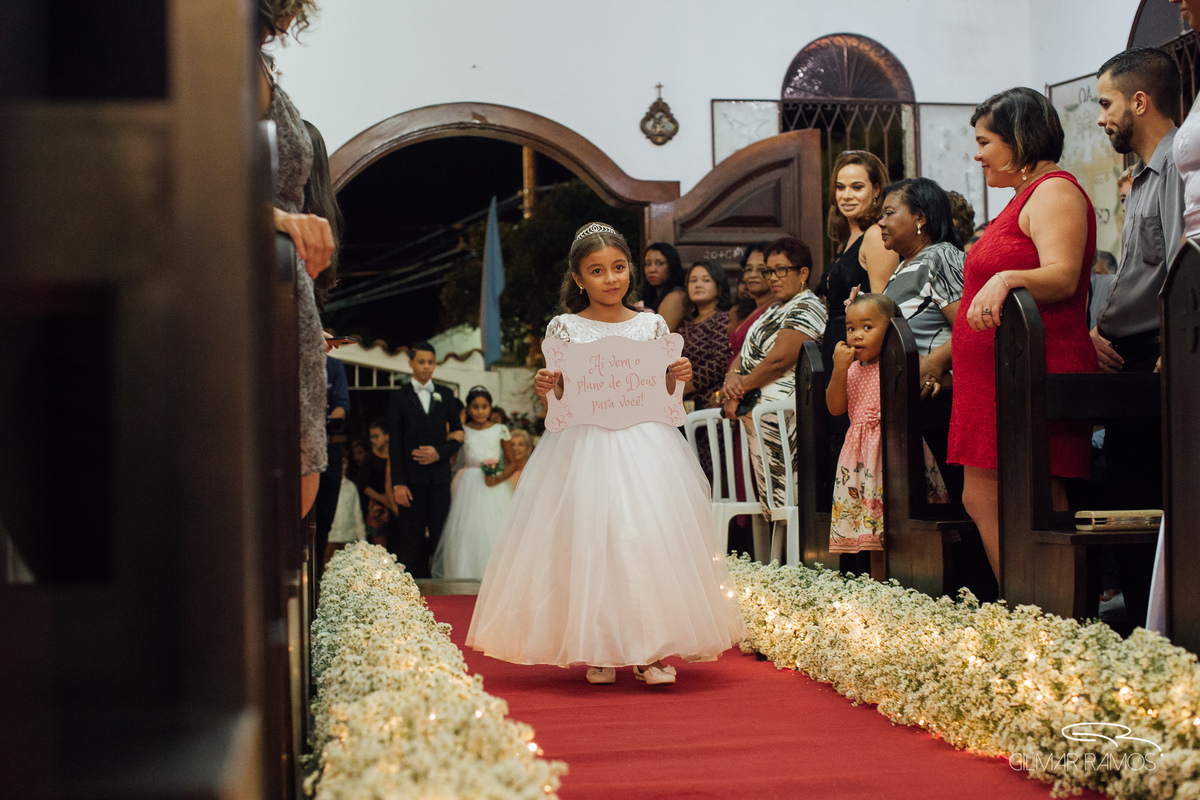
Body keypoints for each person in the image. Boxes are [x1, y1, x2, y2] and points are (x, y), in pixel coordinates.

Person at [467, 222, 744, 686]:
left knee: (644, 536)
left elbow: (665, 397)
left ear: (629, 271)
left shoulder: (651, 324)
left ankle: (650, 649)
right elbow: (560, 406)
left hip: (646, 446)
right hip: (584, 445)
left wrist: (678, 374)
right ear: (579, 279)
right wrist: (547, 389)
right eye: (597, 271)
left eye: (618, 268)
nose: (610, 278)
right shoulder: (565, 328)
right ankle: (599, 645)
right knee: (592, 538)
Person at [949, 87, 1099, 582]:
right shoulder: (1023, 197)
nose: (977, 154)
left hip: (1035, 367)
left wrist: (1007, 277)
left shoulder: (1055, 189)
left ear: (1019, 140)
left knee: (1037, 494)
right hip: (996, 375)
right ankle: (1026, 613)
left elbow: (1063, 276)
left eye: (985, 141)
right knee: (983, 496)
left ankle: (1052, 619)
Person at [1094, 48, 1183, 519]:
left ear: (1140, 102)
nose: (1101, 118)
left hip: (1155, 353)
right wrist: (1099, 329)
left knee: (1145, 498)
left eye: (1107, 104)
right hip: (1127, 354)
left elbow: (1181, 266)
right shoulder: (1142, 178)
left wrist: (1174, 347)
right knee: (1125, 496)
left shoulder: (1174, 167)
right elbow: (1135, 274)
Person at [257, 1, 335, 517]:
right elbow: (190, 171)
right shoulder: (215, 58)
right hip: (250, 272)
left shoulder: (255, 60)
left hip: (285, 281)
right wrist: (279, 218)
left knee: (298, 475)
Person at [827, 293, 948, 569]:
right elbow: (835, 408)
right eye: (851, 328)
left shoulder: (898, 366)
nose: (857, 335)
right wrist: (838, 368)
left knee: (904, 524)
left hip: (895, 450)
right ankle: (881, 589)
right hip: (860, 458)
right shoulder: (850, 370)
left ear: (892, 329)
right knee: (873, 530)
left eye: (867, 327)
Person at [722, 238, 827, 555]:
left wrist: (741, 387)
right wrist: (731, 378)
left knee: (788, 495)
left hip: (785, 415)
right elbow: (745, 353)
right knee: (772, 495)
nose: (774, 278)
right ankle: (776, 565)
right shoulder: (772, 309)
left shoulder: (807, 305)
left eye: (782, 270)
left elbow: (781, 358)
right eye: (770, 271)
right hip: (758, 413)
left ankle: (795, 562)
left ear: (803, 272)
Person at [388, 342, 464, 578]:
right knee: (411, 540)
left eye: (431, 362)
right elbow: (395, 444)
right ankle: (409, 594)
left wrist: (439, 452)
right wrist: (398, 483)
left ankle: (444, 589)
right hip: (410, 481)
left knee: (441, 536)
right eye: (421, 362)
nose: (427, 367)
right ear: (411, 363)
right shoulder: (399, 396)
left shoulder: (446, 393)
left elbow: (459, 434)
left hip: (440, 480)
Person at [431, 387, 516, 580]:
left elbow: (513, 462)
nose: (480, 411)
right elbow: (451, 459)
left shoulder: (500, 430)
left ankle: (495, 576)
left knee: (494, 530)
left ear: (490, 408)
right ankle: (465, 574)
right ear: (468, 409)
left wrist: (497, 478)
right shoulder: (462, 431)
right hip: (467, 485)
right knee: (467, 531)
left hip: (493, 485)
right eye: (475, 407)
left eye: (484, 407)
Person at [818, 151, 886, 376]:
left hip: (861, 356)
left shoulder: (876, 235)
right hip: (838, 348)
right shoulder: (846, 240)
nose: (846, 195)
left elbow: (883, 308)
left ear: (875, 190)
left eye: (857, 187)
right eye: (840, 187)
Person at [679, 260, 733, 411]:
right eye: (693, 280)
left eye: (706, 280)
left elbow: (720, 362)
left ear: (719, 286)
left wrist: (686, 388)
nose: (698, 285)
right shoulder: (686, 324)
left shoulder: (723, 319)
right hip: (682, 406)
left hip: (709, 405)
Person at [727, 242, 773, 366]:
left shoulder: (775, 310)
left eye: (761, 269)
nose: (752, 275)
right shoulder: (747, 309)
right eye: (748, 269)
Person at [323, 451, 366, 566]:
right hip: (330, 540)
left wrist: (363, 542)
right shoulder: (326, 486)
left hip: (349, 540)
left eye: (344, 463)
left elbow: (357, 513)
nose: (342, 466)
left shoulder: (351, 486)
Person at [362, 419, 396, 546]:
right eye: (371, 437)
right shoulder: (370, 458)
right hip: (377, 505)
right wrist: (384, 499)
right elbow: (364, 486)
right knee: (380, 546)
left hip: (396, 502)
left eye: (376, 436)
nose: (372, 440)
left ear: (387, 436)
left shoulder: (396, 457)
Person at [641, 242, 687, 331]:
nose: (652, 269)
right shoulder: (650, 294)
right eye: (648, 263)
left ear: (672, 265)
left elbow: (659, 339)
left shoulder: (676, 296)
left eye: (660, 263)